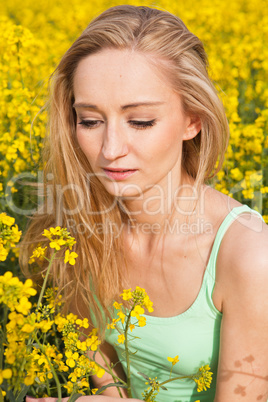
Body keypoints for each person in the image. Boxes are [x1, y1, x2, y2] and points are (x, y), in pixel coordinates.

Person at [22, 4, 268, 402]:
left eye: (140, 121)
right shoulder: (77, 229)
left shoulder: (249, 255)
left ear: (193, 120)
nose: (111, 149)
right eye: (89, 121)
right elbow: (106, 372)